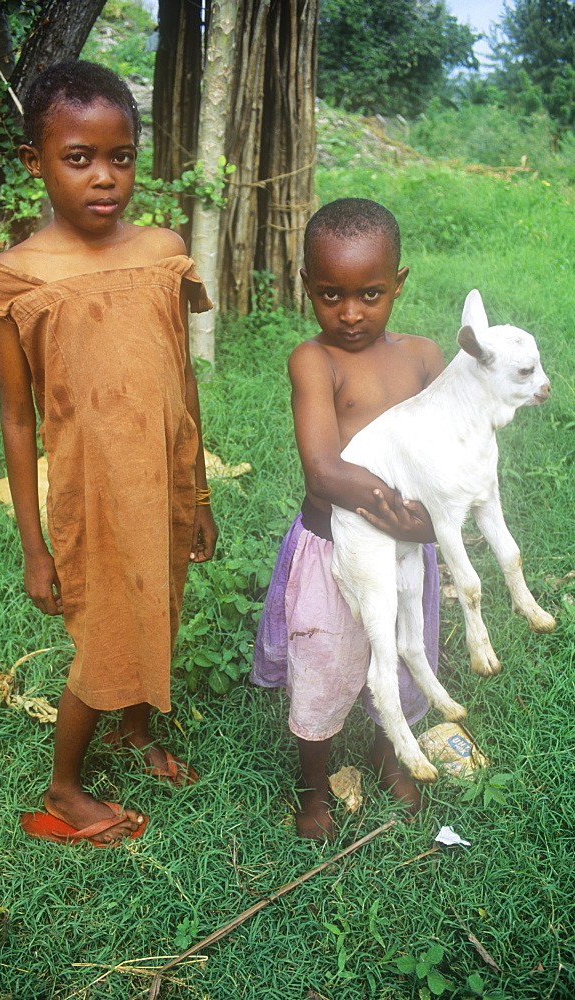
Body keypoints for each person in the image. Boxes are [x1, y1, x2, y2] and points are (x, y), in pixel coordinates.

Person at [0, 61, 218, 846]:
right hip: (91, 495)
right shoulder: (15, 278)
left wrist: (198, 493)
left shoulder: (163, 250)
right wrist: (33, 546)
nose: (104, 178)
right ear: (34, 163)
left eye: (121, 157)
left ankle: (133, 732)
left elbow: (181, 377)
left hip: (163, 481)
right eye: (79, 158)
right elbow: (17, 418)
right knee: (102, 637)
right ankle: (65, 786)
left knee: (158, 607)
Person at [252, 198, 445, 840]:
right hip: (333, 550)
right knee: (326, 669)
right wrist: (410, 512)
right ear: (306, 285)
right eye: (331, 294)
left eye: (370, 293)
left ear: (399, 283)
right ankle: (313, 790)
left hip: (403, 552)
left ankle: (390, 753)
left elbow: (448, 445)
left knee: (400, 650)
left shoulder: (421, 358)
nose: (351, 312)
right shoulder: (315, 361)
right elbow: (325, 471)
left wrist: (438, 511)